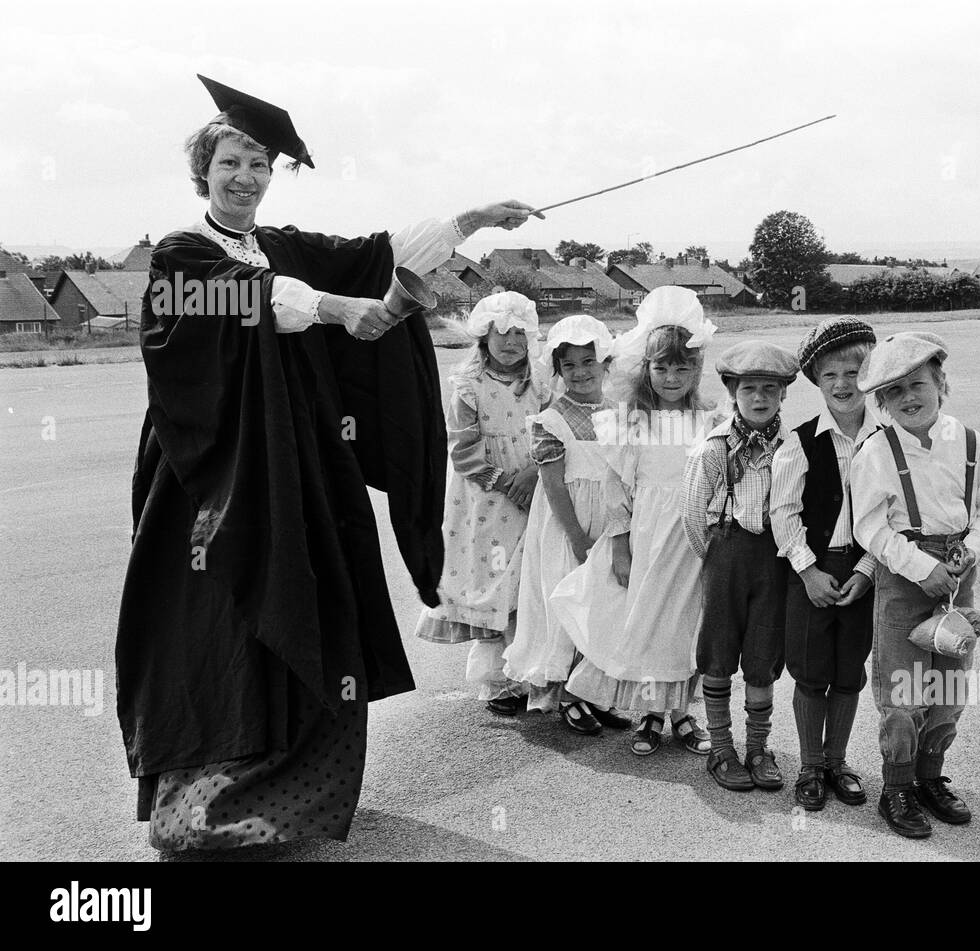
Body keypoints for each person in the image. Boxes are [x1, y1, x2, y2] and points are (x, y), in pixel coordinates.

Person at [116, 74, 539, 851]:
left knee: (311, 600)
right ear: (202, 171)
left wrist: (471, 220)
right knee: (222, 618)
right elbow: (253, 298)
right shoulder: (183, 256)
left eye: (259, 165)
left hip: (296, 463)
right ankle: (203, 812)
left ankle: (294, 798)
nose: (246, 177)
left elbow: (373, 254)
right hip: (208, 475)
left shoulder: (278, 245)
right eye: (231, 162)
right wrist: (341, 310)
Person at [849, 331, 980, 839]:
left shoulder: (971, 443)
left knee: (948, 689)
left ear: (941, 383)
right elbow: (869, 527)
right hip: (904, 580)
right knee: (905, 693)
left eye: (918, 384)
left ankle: (929, 776)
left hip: (958, 579)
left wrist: (971, 550)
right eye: (894, 392)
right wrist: (922, 566)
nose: (909, 398)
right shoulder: (877, 451)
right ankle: (895, 785)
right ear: (881, 402)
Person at [553, 287, 723, 756]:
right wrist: (622, 546)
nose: (672, 377)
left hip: (692, 539)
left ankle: (684, 714)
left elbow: (718, 482)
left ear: (697, 369)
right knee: (647, 621)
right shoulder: (631, 421)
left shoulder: (710, 420)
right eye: (662, 367)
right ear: (646, 369)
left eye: (682, 367)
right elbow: (617, 492)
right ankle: (649, 715)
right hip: (647, 534)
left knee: (686, 624)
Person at [413, 291, 548, 716]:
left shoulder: (539, 384)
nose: (510, 343)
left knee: (525, 577)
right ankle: (495, 681)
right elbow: (462, 447)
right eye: (501, 333)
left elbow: (551, 430)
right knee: (492, 575)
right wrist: (505, 481)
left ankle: (527, 669)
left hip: (533, 487)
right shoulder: (468, 386)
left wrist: (535, 473)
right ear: (483, 336)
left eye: (519, 335)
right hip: (486, 497)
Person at [681, 340, 800, 793]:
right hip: (727, 553)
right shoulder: (712, 447)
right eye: (749, 388)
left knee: (763, 654)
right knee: (718, 650)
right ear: (732, 390)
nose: (760, 397)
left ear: (785, 392)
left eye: (770, 388)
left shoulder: (793, 446)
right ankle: (721, 748)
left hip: (775, 557)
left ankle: (757, 747)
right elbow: (693, 515)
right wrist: (716, 557)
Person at [502, 315, 630, 735]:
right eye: (569, 365)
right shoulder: (552, 419)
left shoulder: (620, 413)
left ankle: (590, 690)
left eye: (588, 362)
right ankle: (561, 695)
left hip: (612, 524)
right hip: (568, 526)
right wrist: (577, 536)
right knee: (566, 606)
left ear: (604, 363)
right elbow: (553, 487)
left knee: (604, 606)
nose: (580, 372)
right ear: (558, 371)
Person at [771, 317, 878, 811]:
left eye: (853, 372)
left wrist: (867, 570)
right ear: (816, 380)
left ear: (871, 373)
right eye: (830, 375)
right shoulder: (800, 441)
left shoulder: (886, 441)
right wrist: (807, 570)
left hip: (864, 572)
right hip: (812, 571)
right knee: (811, 671)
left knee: (848, 670)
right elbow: (784, 511)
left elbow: (893, 517)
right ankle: (811, 765)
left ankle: (838, 762)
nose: (842, 384)